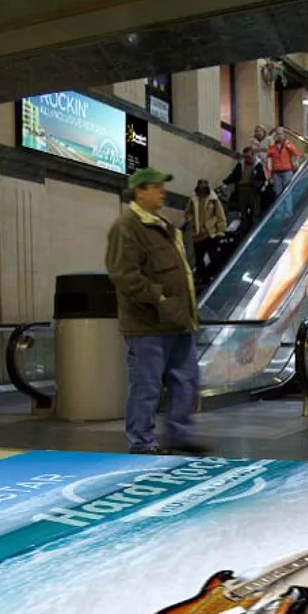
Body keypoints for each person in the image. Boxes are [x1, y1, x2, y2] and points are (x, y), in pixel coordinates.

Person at [105, 167, 209, 456]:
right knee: (147, 386)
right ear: (140, 191)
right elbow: (123, 274)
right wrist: (159, 298)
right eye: (156, 187)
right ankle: (141, 444)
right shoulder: (127, 226)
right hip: (148, 324)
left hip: (178, 321)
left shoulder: (164, 227)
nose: (163, 191)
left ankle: (180, 436)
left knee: (186, 381)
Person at [183, 179, 227, 282]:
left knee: (214, 256)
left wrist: (221, 231)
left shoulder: (213, 199)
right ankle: (203, 278)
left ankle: (217, 276)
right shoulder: (193, 199)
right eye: (200, 188)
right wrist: (191, 219)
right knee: (199, 258)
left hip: (211, 233)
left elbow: (220, 215)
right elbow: (187, 213)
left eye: (204, 188)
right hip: (198, 234)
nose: (202, 190)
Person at [224, 147, 267, 233]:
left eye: (249, 156)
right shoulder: (241, 164)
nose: (247, 159)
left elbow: (262, 178)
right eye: (245, 157)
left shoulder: (258, 164)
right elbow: (234, 175)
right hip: (242, 189)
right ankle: (244, 231)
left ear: (253, 155)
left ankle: (255, 231)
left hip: (252, 189)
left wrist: (258, 187)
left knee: (255, 211)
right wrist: (226, 182)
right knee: (243, 212)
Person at [266, 127, 301, 198]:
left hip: (287, 171)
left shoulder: (288, 144)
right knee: (277, 193)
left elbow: (296, 154)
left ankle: (288, 209)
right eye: (277, 134)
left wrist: (288, 145)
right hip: (276, 173)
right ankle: (281, 209)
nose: (279, 136)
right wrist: (269, 175)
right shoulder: (272, 146)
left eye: (281, 134)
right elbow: (268, 161)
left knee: (287, 193)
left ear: (284, 135)